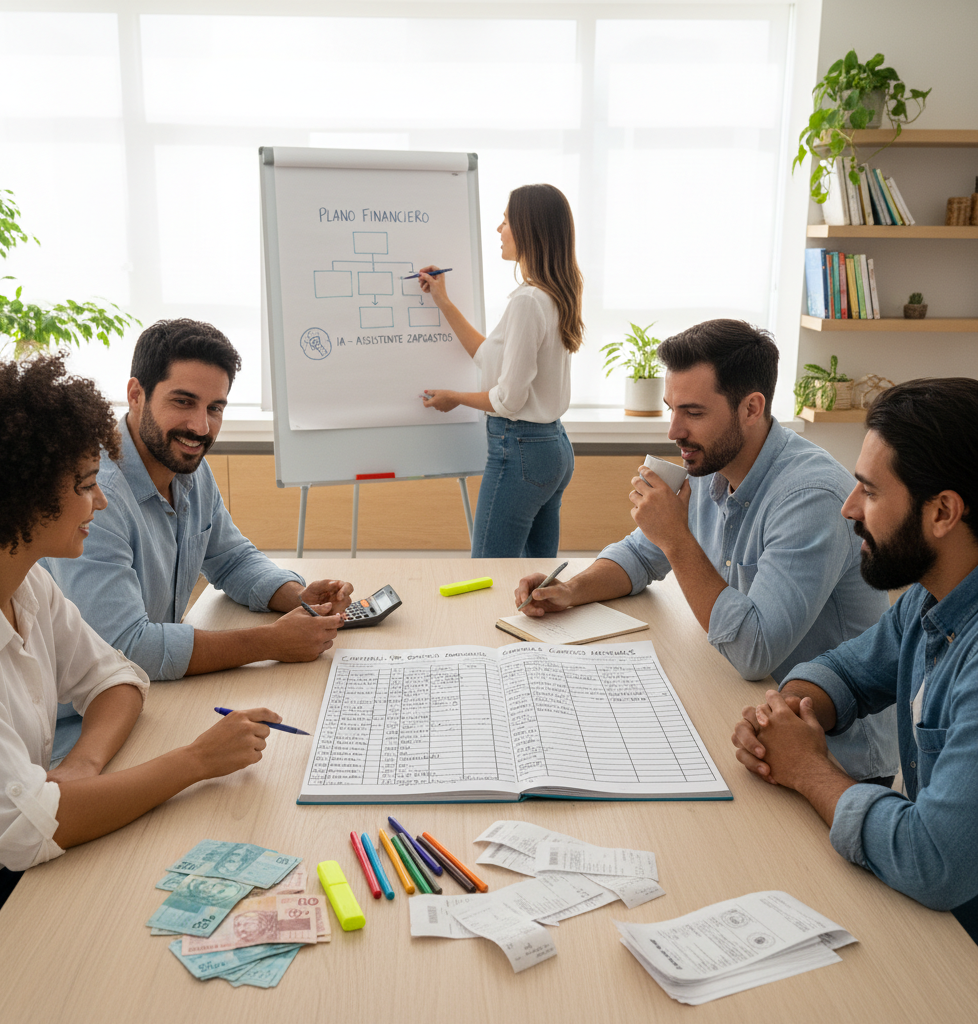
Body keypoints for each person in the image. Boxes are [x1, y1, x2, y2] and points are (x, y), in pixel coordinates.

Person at [0, 353, 281, 978]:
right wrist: (195, 762)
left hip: (18, 864)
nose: (101, 501)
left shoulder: (25, 585)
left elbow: (117, 677)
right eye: (83, 485)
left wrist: (79, 766)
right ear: (15, 496)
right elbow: (24, 830)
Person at [515, 318, 897, 783]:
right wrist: (572, 589)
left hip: (836, 758)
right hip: (751, 714)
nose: (674, 430)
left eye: (693, 413)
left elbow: (755, 650)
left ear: (751, 408)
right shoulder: (711, 465)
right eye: (671, 409)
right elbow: (640, 555)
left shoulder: (811, 496)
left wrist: (676, 538)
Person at [731, 378, 978, 944]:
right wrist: (787, 716)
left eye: (868, 490)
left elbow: (933, 860)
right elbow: (847, 670)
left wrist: (805, 767)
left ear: (942, 512)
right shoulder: (931, 594)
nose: (849, 508)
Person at [45, 319, 354, 757]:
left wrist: (298, 596)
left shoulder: (188, 465)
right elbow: (125, 647)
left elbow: (230, 558)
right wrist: (271, 643)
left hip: (148, 698)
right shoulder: (94, 497)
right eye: (184, 401)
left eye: (215, 408)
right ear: (136, 395)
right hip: (74, 727)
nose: (201, 426)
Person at [418, 183, 583, 557]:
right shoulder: (553, 294)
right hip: (552, 447)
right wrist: (442, 301)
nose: (499, 230)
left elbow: (509, 398)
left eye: (506, 221)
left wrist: (455, 398)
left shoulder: (528, 301)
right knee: (534, 579)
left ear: (528, 229)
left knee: (489, 569)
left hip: (521, 449)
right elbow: (487, 357)